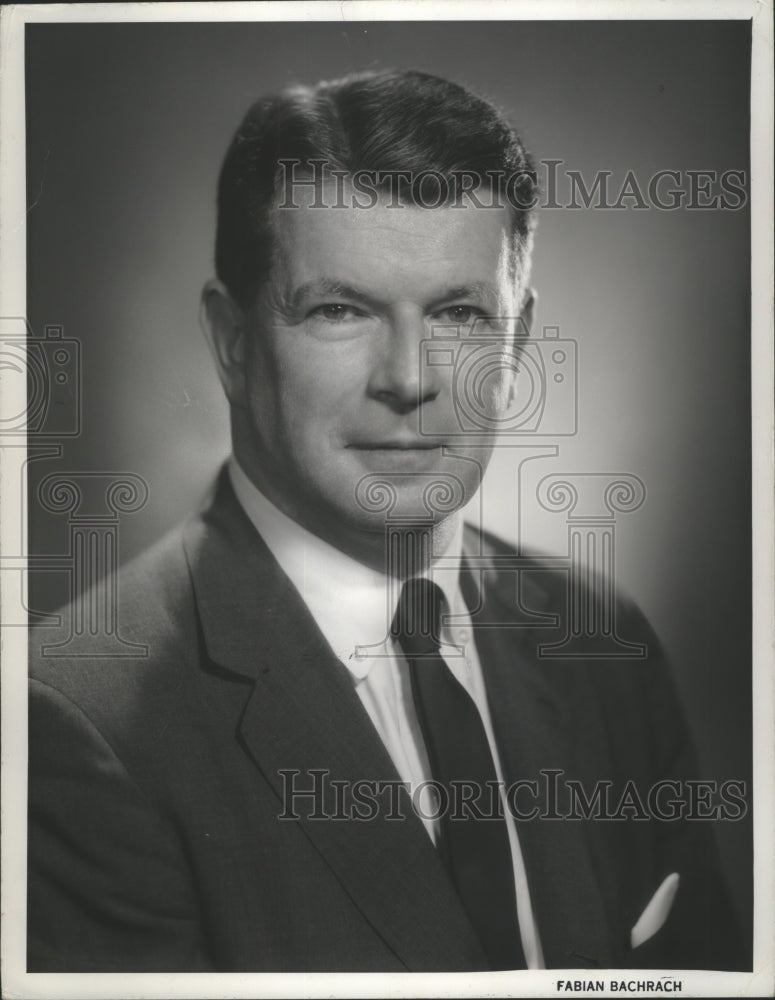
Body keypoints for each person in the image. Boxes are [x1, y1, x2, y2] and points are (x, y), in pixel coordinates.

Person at [27, 69, 745, 973]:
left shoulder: (602, 641)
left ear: (517, 344)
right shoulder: (74, 723)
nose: (408, 378)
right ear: (233, 342)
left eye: (456, 313)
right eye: (340, 309)